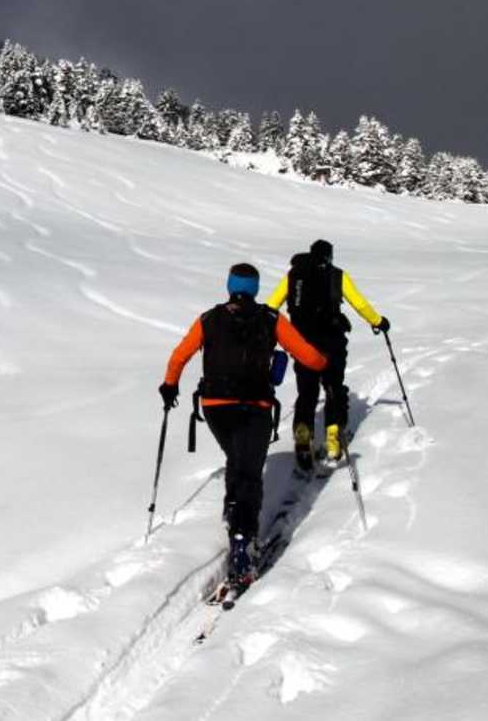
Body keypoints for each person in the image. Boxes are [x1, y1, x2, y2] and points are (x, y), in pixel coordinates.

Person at [159, 262, 328, 586]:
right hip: (254, 407)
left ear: (230, 286)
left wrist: (170, 385)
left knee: (238, 461)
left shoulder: (209, 319)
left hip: (215, 408)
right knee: (249, 471)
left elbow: (180, 356)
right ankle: (242, 543)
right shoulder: (271, 319)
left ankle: (232, 510)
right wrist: (325, 364)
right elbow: (308, 356)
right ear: (255, 288)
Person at [266, 240, 390, 472]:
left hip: (302, 344)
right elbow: (359, 304)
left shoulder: (294, 275)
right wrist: (378, 321)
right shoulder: (337, 275)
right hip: (332, 342)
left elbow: (272, 305)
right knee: (333, 387)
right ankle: (333, 440)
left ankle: (303, 440)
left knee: (307, 393)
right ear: (329, 256)